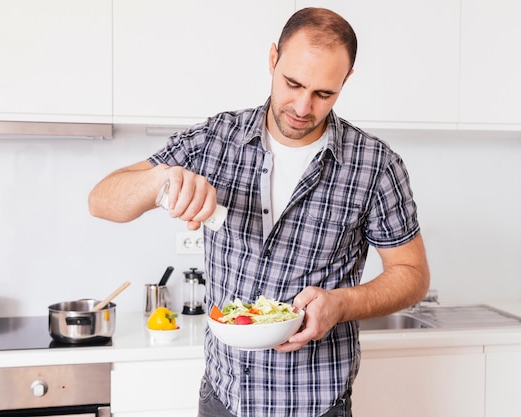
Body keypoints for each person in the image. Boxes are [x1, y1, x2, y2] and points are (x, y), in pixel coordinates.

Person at [89, 7, 429, 417]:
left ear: (346, 81)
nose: (303, 106)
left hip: (317, 406)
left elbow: (412, 276)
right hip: (222, 399)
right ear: (273, 59)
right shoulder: (216, 139)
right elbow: (101, 200)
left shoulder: (374, 164)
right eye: (293, 83)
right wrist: (160, 182)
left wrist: (341, 304)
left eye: (324, 93)